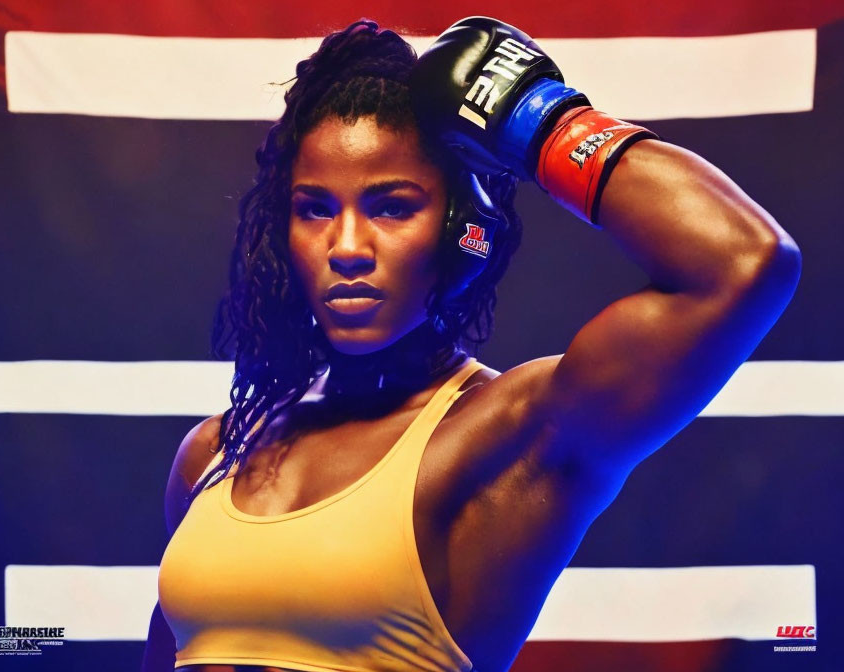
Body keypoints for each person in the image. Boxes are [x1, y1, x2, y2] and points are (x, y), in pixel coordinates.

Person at [140, 16, 801, 672]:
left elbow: (742, 260)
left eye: (391, 206)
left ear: (465, 232)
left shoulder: (511, 431)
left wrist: (544, 123)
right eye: (315, 209)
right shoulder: (214, 452)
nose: (345, 248)